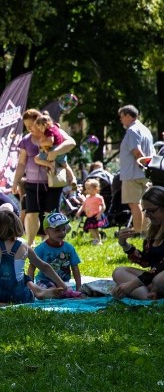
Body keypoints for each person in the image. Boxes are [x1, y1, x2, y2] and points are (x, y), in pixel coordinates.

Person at [0, 210, 66, 304]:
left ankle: (5, 301)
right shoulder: (24, 246)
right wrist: (62, 284)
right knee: (22, 277)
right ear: (17, 226)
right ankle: (38, 292)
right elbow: (44, 267)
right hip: (19, 295)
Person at [12, 109, 77, 245]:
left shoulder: (53, 130)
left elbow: (71, 142)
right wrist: (15, 182)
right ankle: (29, 243)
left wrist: (56, 151)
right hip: (32, 183)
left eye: (31, 125)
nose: (29, 128)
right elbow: (21, 163)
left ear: (39, 122)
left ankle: (50, 242)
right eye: (26, 126)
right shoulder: (26, 140)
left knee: (51, 214)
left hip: (53, 182)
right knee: (31, 213)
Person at [112, 186, 164, 299]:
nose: (147, 215)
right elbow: (146, 261)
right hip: (152, 278)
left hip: (159, 277)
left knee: (159, 280)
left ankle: (152, 291)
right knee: (119, 272)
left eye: (152, 210)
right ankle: (148, 298)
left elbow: (161, 266)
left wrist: (133, 284)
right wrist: (124, 244)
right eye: (145, 210)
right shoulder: (153, 232)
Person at [117, 105, 154, 233]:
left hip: (132, 173)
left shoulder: (132, 130)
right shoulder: (146, 130)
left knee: (134, 203)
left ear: (128, 116)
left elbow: (136, 151)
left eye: (121, 117)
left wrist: (143, 164)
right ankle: (146, 231)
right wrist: (148, 168)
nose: (120, 120)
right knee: (146, 205)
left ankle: (138, 231)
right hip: (145, 174)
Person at [29, 212, 83, 297]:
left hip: (63, 282)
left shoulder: (69, 248)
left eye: (64, 229)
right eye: (57, 230)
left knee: (66, 290)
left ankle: (58, 293)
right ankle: (50, 292)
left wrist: (79, 287)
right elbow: (32, 267)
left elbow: (75, 268)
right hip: (44, 280)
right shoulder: (41, 249)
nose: (61, 233)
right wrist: (31, 288)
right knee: (50, 290)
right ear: (47, 231)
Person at [76, 178, 108, 245]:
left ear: (96, 189)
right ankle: (98, 240)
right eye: (86, 188)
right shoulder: (87, 197)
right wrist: (79, 212)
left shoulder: (98, 197)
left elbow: (103, 206)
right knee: (93, 228)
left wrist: (100, 214)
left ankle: (96, 240)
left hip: (96, 215)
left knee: (92, 228)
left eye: (89, 188)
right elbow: (84, 205)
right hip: (90, 216)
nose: (87, 190)